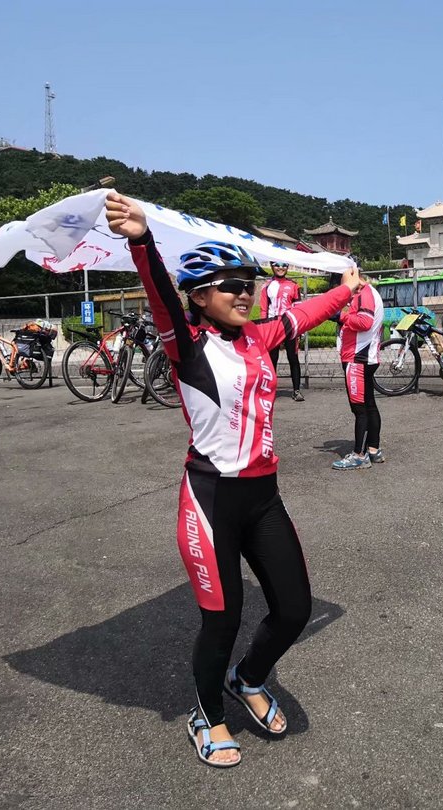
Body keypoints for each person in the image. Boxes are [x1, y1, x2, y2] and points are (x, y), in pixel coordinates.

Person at [104, 191, 360, 769]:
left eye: (249, 283)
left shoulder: (261, 337)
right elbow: (160, 297)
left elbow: (306, 313)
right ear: (199, 296)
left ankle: (248, 677)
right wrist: (142, 240)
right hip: (211, 498)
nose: (245, 293)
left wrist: (347, 285)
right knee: (222, 616)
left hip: (264, 498)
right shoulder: (186, 346)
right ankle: (206, 714)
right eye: (230, 284)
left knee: (293, 610)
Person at [332, 262, 385, 470]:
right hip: (362, 358)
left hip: (358, 359)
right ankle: (373, 449)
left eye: (341, 276)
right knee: (369, 405)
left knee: (360, 409)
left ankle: (359, 455)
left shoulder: (364, 293)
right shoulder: (365, 292)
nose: (339, 282)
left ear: (352, 272)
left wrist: (340, 317)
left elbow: (364, 322)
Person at [260, 260, 305, 401]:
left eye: (284, 265)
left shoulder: (293, 285)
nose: (280, 268)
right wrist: (263, 328)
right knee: (272, 359)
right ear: (273, 266)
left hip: (290, 325)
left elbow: (298, 308)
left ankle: (296, 390)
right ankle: (270, 391)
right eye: (277, 265)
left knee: (293, 357)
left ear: (288, 267)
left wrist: (300, 328)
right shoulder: (266, 286)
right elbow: (264, 309)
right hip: (273, 326)